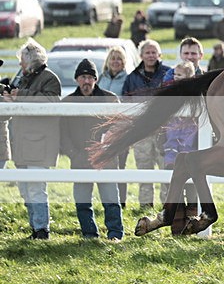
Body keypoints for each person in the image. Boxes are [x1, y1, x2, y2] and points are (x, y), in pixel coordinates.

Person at [3, 39, 61, 239]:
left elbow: (51, 101)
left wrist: (21, 95)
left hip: (40, 143)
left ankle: (42, 229)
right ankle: (34, 227)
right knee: (25, 189)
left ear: (31, 60)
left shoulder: (49, 78)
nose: (19, 64)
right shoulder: (25, 77)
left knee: (36, 187)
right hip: (21, 142)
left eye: (22, 60)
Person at [60, 59, 123, 241]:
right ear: (77, 79)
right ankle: (89, 234)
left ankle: (115, 234)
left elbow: (118, 128)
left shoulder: (110, 99)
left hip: (106, 158)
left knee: (111, 199)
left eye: (90, 77)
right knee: (82, 201)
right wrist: (74, 154)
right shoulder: (67, 102)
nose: (86, 81)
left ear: (95, 79)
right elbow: (63, 135)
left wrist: (107, 149)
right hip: (79, 158)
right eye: (83, 77)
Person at [121, 39, 170, 208]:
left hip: (164, 131)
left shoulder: (168, 74)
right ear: (141, 55)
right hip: (141, 133)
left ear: (159, 55)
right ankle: (145, 207)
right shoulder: (132, 77)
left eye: (153, 52)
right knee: (144, 170)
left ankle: (168, 207)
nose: (150, 55)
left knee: (166, 170)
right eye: (147, 52)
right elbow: (125, 104)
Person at [163, 61, 199, 234]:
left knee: (192, 188)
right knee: (174, 188)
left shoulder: (195, 97)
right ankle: (177, 228)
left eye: (180, 75)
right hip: (172, 146)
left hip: (190, 147)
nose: (175, 78)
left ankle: (192, 226)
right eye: (175, 74)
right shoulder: (170, 95)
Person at [97, 45, 132, 207]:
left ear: (124, 61)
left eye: (119, 58)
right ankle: (107, 200)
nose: (116, 61)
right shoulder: (101, 78)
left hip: (121, 126)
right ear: (108, 61)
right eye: (113, 58)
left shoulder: (128, 79)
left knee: (120, 164)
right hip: (102, 126)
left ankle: (121, 201)